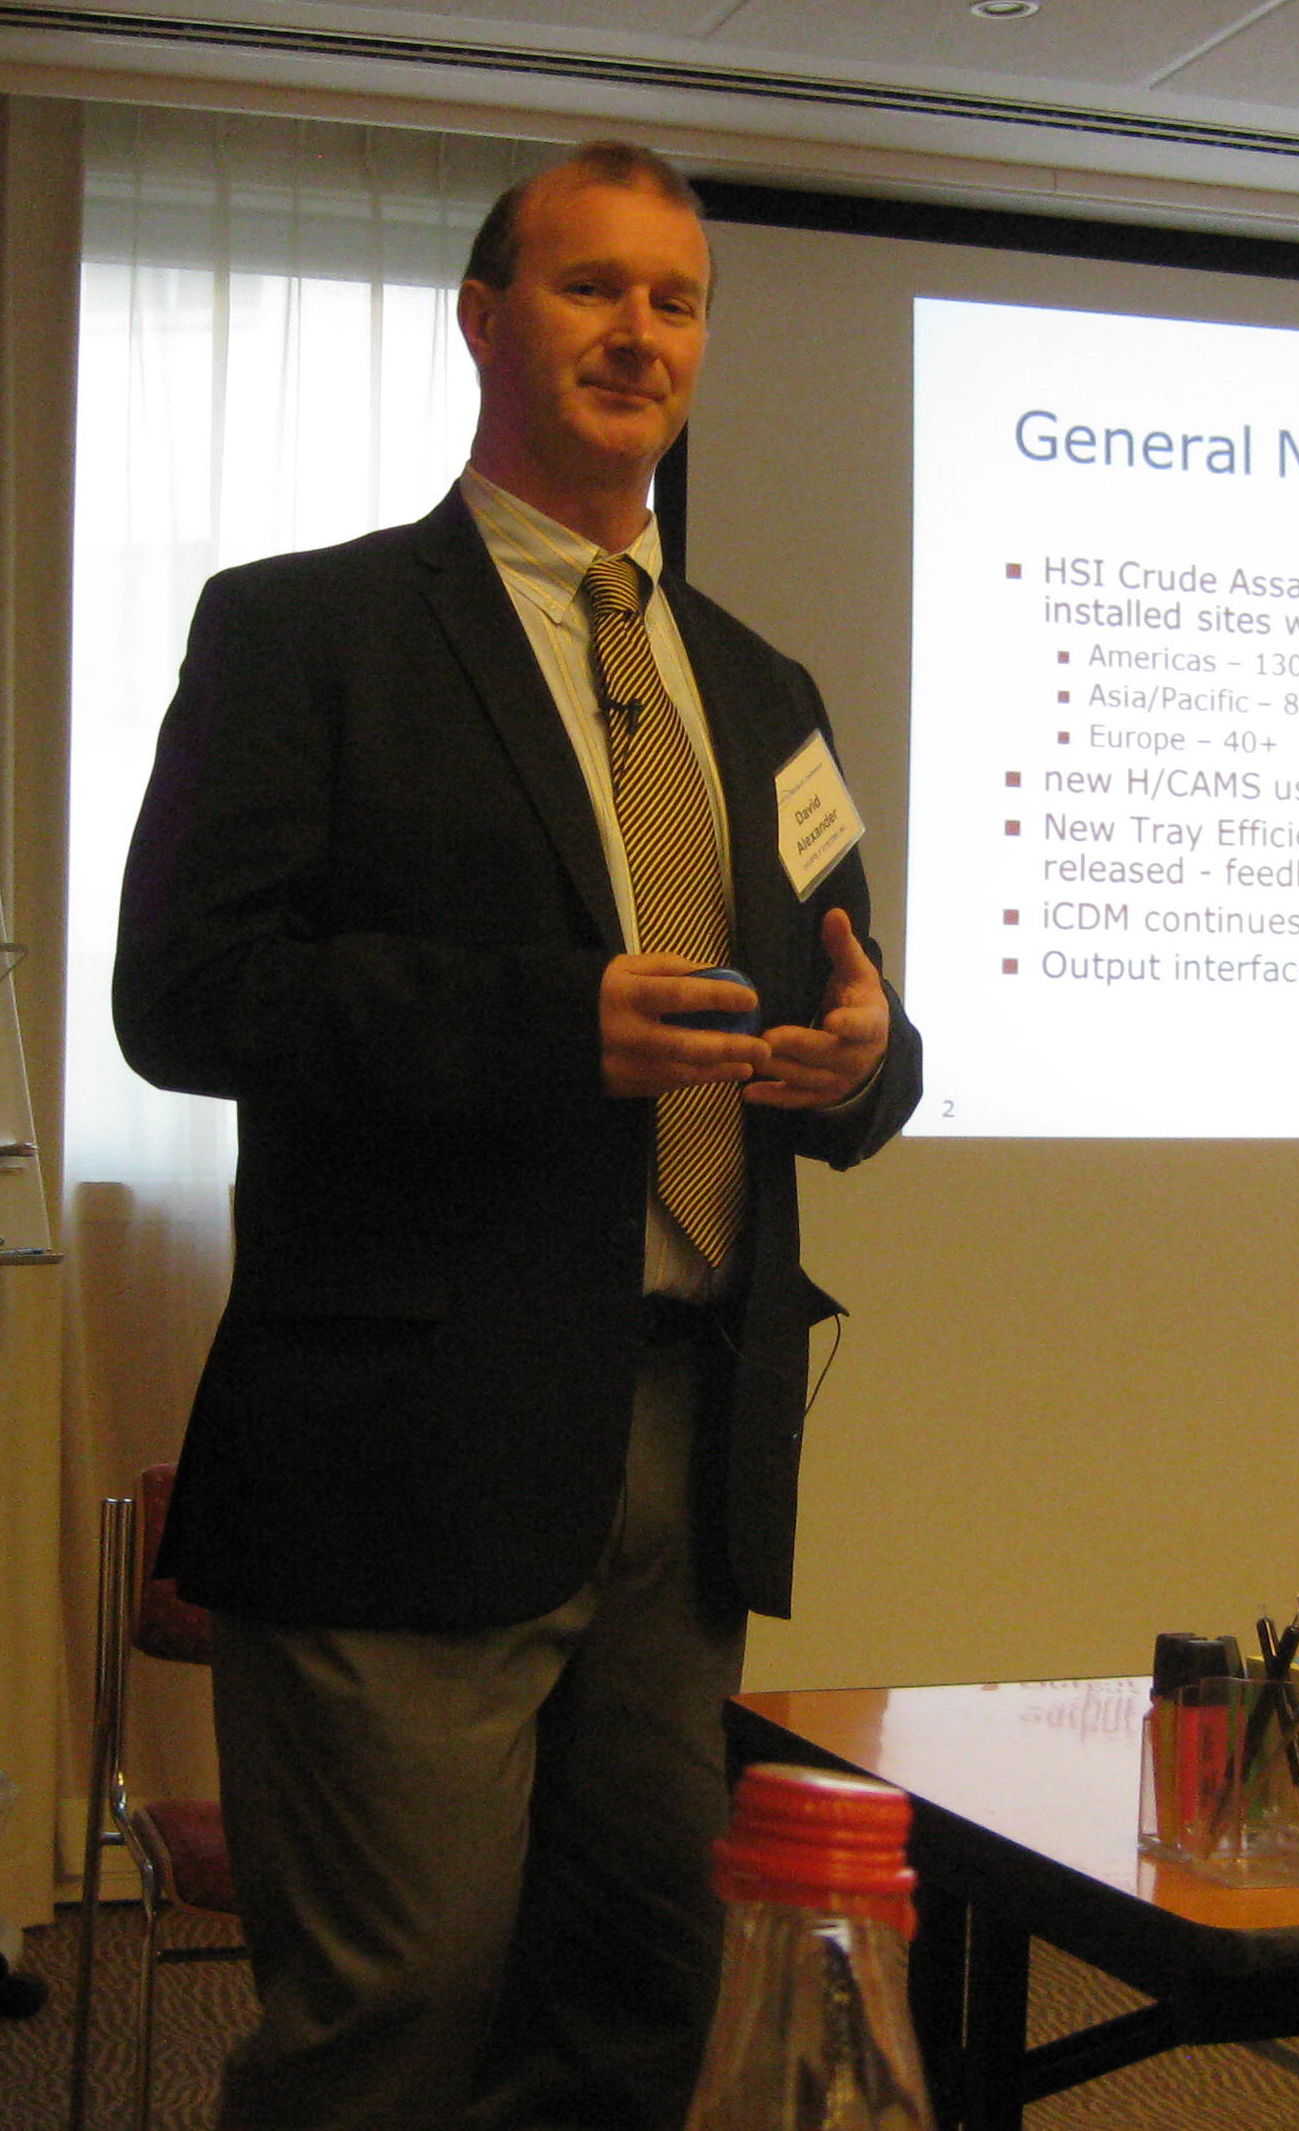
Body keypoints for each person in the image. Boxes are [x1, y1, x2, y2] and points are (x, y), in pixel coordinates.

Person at [112, 139, 922, 2131]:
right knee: (394, 2006)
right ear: (484, 319)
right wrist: (547, 1025)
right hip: (406, 1437)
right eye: (592, 287)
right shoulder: (303, 632)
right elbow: (184, 993)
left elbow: (858, 1022)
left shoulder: (764, 691)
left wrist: (862, 1061)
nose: (640, 331)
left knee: (641, 1997)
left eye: (676, 298)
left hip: (690, 1435)